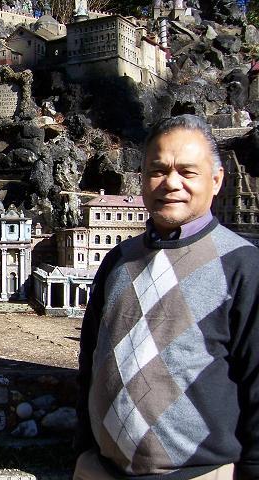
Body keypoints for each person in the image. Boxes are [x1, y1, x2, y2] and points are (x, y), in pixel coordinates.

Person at [74, 114, 259, 480]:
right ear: (142, 179)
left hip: (200, 474)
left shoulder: (244, 266)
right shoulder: (118, 261)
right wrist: (84, 450)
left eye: (188, 172)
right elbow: (89, 361)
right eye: (158, 170)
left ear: (217, 180)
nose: (171, 183)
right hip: (103, 470)